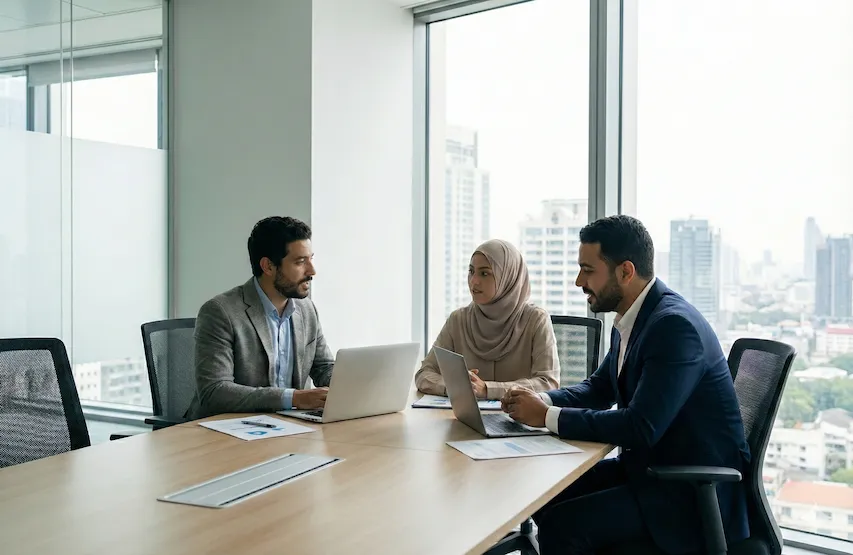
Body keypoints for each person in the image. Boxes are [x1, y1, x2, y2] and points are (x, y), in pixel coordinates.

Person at [502, 215, 750, 555]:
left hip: (690, 494)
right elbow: (599, 389)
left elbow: (640, 427)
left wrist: (546, 416)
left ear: (625, 272)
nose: (578, 281)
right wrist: (539, 400)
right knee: (546, 494)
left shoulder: (673, 327)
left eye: (588, 270)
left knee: (564, 524)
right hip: (650, 472)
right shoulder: (634, 317)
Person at [186, 216, 334, 419]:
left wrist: (355, 384)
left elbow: (323, 368)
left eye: (311, 259)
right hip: (227, 428)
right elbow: (214, 392)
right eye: (300, 262)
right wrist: (294, 398)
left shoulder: (306, 309)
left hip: (287, 425)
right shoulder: (221, 312)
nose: (312, 271)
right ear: (268, 266)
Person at [415, 239, 559, 401]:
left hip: (518, 415)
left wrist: (488, 390)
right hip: (464, 415)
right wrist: (454, 386)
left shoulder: (536, 320)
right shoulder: (458, 320)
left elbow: (548, 383)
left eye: (484, 273)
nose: (474, 281)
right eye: (471, 271)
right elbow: (424, 374)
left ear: (508, 277)